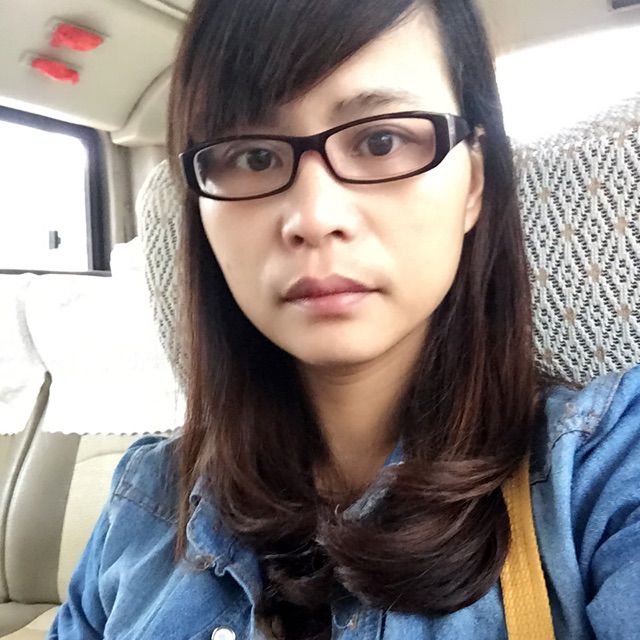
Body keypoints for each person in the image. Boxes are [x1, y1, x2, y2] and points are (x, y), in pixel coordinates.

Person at [48, 0, 640, 638]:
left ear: (473, 181)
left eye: (381, 141)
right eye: (253, 157)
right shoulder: (145, 502)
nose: (313, 217)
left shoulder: (602, 476)